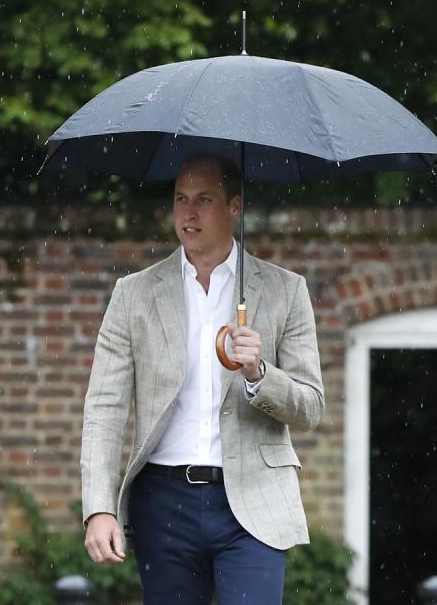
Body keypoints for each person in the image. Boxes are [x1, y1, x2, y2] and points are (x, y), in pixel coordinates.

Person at [80, 152, 324, 605]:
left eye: (204, 199)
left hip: (254, 500)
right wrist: (98, 507)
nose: (188, 213)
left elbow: (311, 407)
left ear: (235, 207)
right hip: (163, 503)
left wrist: (260, 374)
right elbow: (104, 409)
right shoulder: (133, 295)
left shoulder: (286, 290)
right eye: (180, 199)